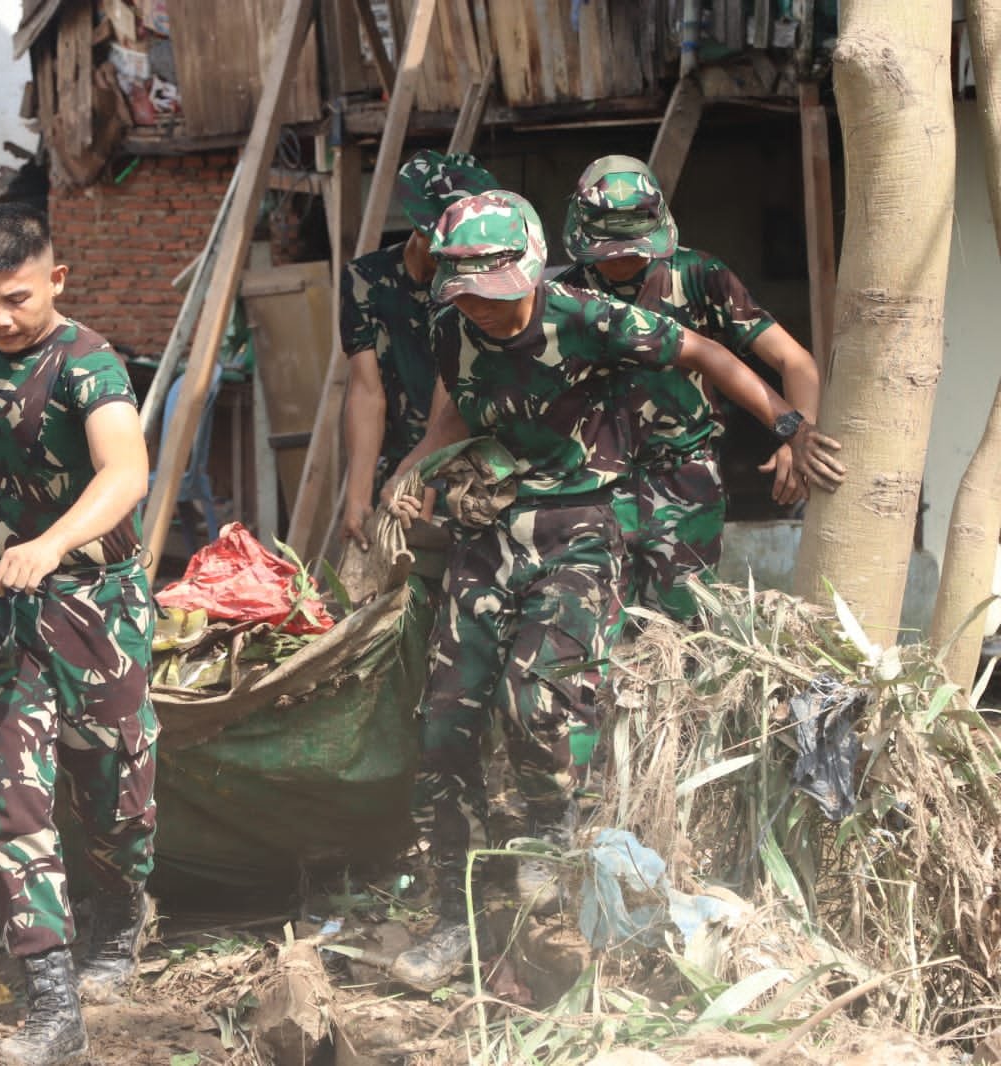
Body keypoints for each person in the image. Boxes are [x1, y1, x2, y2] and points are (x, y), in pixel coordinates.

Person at [383, 192, 845, 989]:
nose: (484, 311)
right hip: (486, 533)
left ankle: (550, 834)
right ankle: (449, 920)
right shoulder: (450, 325)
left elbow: (705, 353)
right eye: (468, 295)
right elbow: (450, 419)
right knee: (444, 730)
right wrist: (411, 470)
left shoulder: (591, 317)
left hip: (579, 529)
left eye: (495, 295)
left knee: (542, 705)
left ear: (528, 271)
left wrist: (784, 423)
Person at [0, 202, 157, 1066]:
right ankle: (51, 1002)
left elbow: (128, 470)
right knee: (13, 793)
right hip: (11, 611)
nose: (0, 318)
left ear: (56, 282)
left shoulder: (88, 364)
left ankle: (122, 917)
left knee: (115, 795)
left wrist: (53, 543)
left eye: (18, 299)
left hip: (94, 603)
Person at [555, 155, 823, 622]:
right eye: (610, 248)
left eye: (634, 247)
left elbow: (793, 359)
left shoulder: (698, 277)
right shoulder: (565, 298)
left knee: (683, 635)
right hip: (593, 486)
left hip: (683, 479)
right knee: (593, 631)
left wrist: (797, 435)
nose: (623, 259)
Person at [340, 150, 496, 547]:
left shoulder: (471, 286)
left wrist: (424, 487)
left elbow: (452, 389)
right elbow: (366, 390)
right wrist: (357, 493)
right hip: (394, 460)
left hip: (461, 461)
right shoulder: (365, 279)